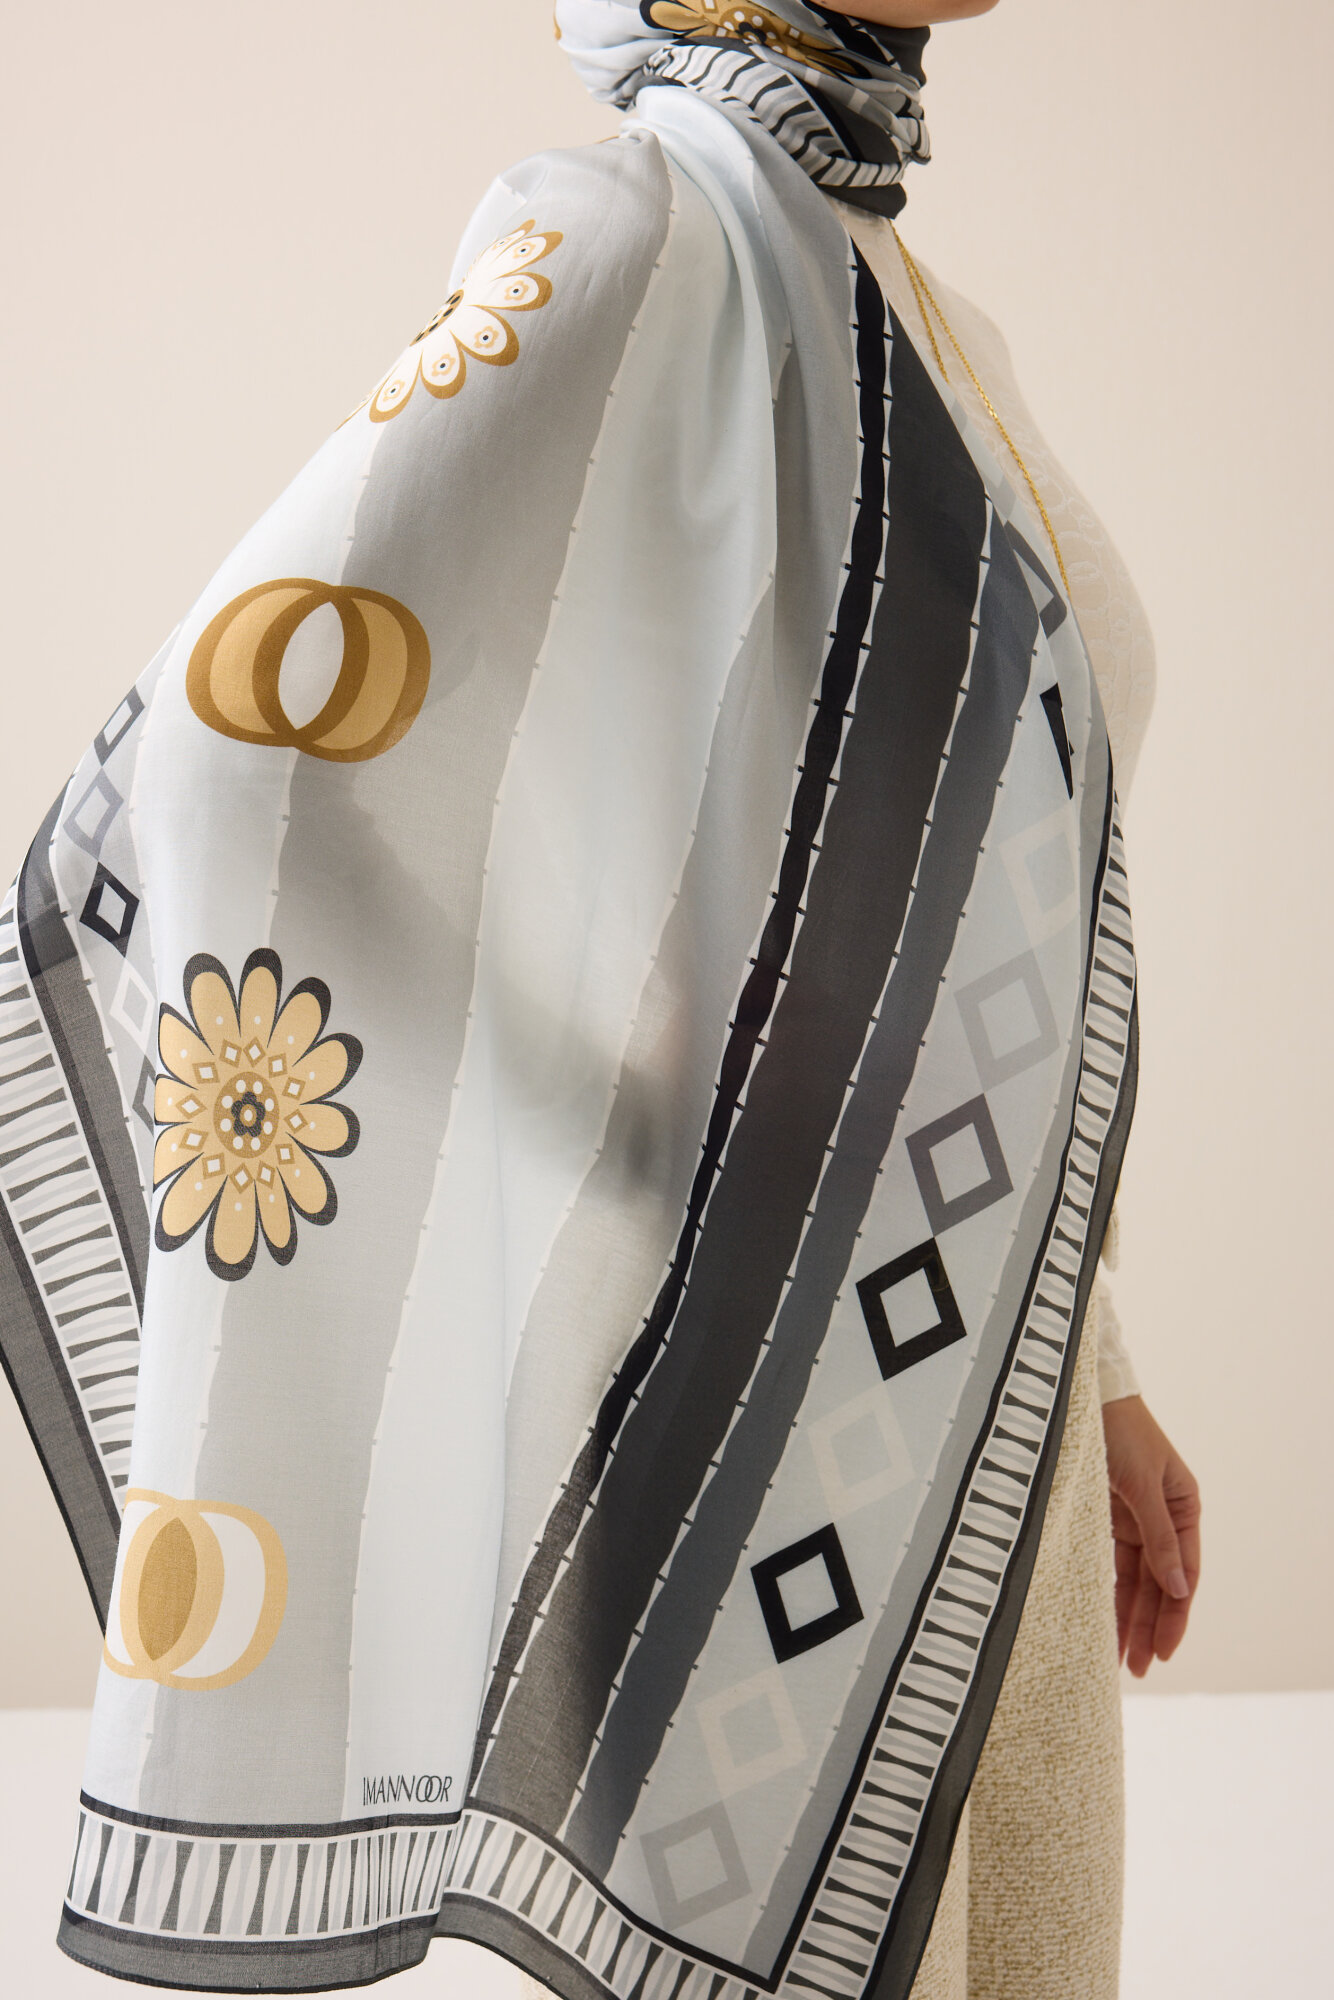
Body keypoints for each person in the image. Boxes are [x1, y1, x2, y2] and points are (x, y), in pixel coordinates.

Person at [0, 4, 1199, 1997]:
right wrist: (640, 1130)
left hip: (987, 1375)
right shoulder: (638, 237)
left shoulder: (927, 317)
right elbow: (243, 755)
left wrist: (1107, 1364)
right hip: (789, 1400)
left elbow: (1003, 922)